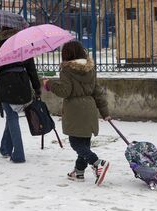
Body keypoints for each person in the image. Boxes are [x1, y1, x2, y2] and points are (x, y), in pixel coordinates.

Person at [43, 41, 111, 186]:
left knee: (75, 142)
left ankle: (97, 163)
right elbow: (97, 91)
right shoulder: (90, 69)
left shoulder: (67, 70)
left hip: (75, 110)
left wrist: (49, 84)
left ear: (66, 54)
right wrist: (105, 112)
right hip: (90, 108)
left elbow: (65, 91)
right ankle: (78, 171)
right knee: (84, 142)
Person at [0, 26, 41, 163]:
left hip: (7, 85)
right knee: (11, 116)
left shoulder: (1, 46)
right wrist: (37, 88)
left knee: (12, 117)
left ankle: (19, 154)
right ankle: (5, 148)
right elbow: (31, 70)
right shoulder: (23, 45)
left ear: (2, 32)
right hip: (23, 85)